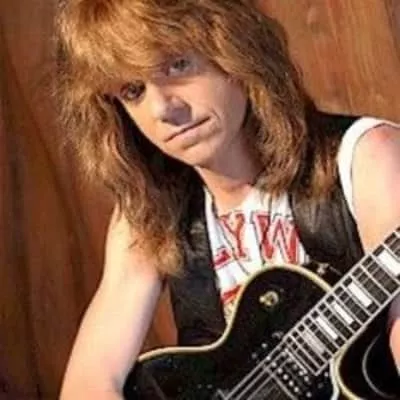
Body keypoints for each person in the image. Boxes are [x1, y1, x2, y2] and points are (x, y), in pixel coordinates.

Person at [55, 0, 400, 398]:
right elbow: (89, 383)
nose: (163, 109)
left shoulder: (368, 157)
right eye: (133, 90)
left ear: (234, 48)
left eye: (177, 65)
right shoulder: (150, 212)